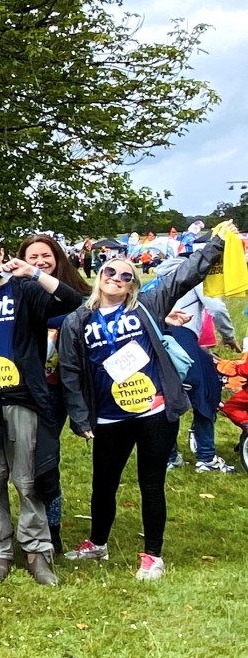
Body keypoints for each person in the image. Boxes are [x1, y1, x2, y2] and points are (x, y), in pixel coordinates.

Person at [59, 226, 232, 581]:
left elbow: (185, 276)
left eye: (126, 276)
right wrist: (81, 419)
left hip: (154, 411)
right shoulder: (79, 320)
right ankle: (98, 542)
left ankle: (153, 554)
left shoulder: (147, 306)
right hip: (108, 416)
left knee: (150, 482)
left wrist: (216, 244)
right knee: (103, 483)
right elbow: (70, 372)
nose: (117, 278)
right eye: (111, 272)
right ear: (99, 276)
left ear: (133, 285)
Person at [0, 232, 81, 585]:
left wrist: (33, 272)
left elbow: (73, 300)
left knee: (28, 480)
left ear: (1, 254)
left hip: (23, 397)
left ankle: (36, 550)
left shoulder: (24, 291)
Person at [16, 235, 92, 553]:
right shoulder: (19, 294)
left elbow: (86, 307)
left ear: (57, 257)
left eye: (45, 256)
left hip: (61, 391)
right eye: (32, 257)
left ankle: (53, 530)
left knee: (46, 462)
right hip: (27, 390)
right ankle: (35, 525)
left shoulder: (78, 294)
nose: (39, 261)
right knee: (29, 463)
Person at [151, 251, 241, 473]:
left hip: (158, 342)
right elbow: (217, 308)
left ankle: (170, 457)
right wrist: (229, 337)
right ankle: (206, 457)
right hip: (183, 340)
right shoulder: (195, 279)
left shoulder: (160, 280)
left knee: (165, 400)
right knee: (206, 393)